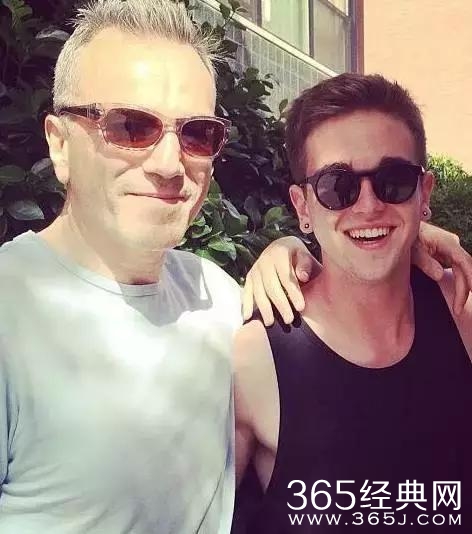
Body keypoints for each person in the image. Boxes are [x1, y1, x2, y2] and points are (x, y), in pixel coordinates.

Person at [0, 1, 470, 532]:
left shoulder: (221, 300)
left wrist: (394, 234)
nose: (168, 163)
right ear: (60, 144)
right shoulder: (10, 315)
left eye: (196, 134)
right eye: (130, 127)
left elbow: (345, 295)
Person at [233, 73, 472, 533]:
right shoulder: (255, 359)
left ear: (424, 194)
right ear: (303, 206)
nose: (367, 206)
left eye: (393, 180)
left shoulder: (462, 317)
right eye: (336, 185)